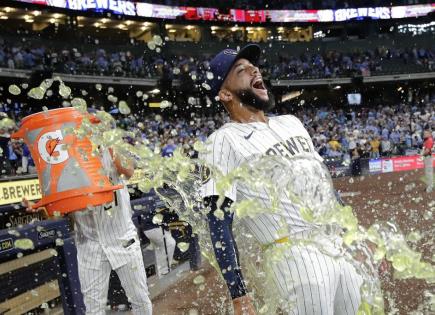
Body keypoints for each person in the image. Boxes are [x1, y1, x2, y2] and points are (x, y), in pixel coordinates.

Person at [201, 44, 364, 315]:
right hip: (294, 256)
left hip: (336, 245)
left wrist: (353, 236)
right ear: (225, 93)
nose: (254, 69)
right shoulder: (221, 141)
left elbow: (325, 188)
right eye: (241, 70)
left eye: (253, 66)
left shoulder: (291, 122)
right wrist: (238, 294)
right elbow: (219, 222)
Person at [24, 145, 152, 315]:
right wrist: (41, 210)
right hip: (88, 245)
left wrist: (108, 146)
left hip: (122, 238)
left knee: (140, 299)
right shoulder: (61, 163)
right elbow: (58, 216)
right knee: (93, 310)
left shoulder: (107, 147)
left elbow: (129, 171)